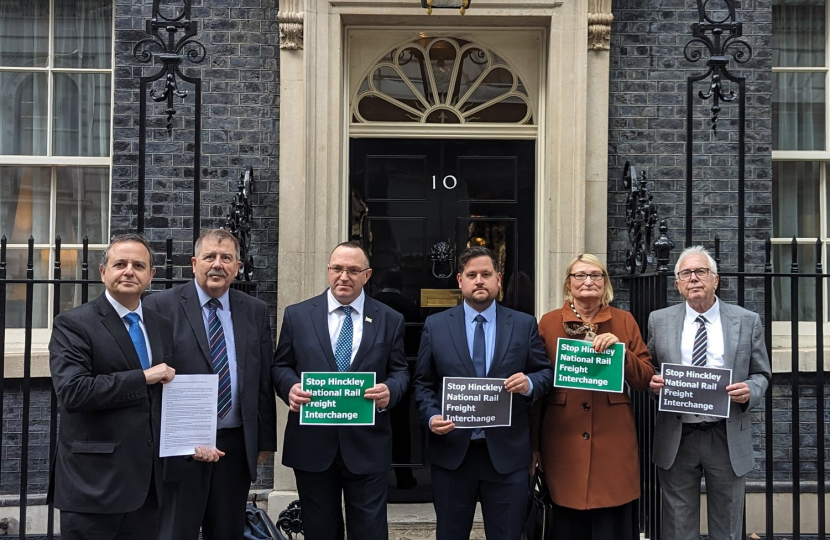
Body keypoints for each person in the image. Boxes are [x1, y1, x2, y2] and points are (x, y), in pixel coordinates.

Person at [143, 228, 277, 540]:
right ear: (193, 263)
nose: (217, 264)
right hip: (179, 446)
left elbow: (262, 377)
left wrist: (264, 440)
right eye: (210, 257)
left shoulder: (254, 311)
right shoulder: (160, 306)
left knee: (227, 531)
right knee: (177, 530)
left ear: (237, 266)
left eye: (226, 258)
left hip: (233, 445)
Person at [413, 246, 554, 540]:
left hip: (506, 454)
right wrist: (431, 416)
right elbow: (423, 383)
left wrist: (529, 384)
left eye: (486, 274)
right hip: (453, 453)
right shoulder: (436, 326)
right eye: (472, 275)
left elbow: (545, 373)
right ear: (460, 281)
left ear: (498, 279)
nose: (479, 280)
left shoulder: (523, 324)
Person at [272, 241, 409, 540]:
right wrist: (290, 388)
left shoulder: (389, 319)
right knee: (320, 530)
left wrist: (390, 390)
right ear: (328, 271)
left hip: (367, 444)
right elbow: (281, 366)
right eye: (337, 269)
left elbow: (401, 370)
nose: (343, 276)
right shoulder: (298, 315)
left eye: (352, 270)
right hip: (312, 444)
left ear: (367, 275)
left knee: (370, 531)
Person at [49, 233, 176, 540]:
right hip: (94, 487)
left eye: (139, 265)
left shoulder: (161, 325)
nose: (129, 271)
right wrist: (141, 377)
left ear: (151, 276)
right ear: (103, 272)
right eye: (120, 264)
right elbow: (72, 392)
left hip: (148, 488)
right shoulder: (73, 324)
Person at [648, 246, 771, 540]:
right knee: (678, 526)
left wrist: (749, 390)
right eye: (686, 274)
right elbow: (648, 368)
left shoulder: (745, 320)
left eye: (701, 271)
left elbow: (762, 374)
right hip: (678, 435)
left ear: (715, 279)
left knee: (727, 525)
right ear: (677, 284)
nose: (694, 279)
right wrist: (652, 384)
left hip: (725, 435)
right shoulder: (659, 320)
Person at [530, 253, 654, 539]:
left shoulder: (624, 321)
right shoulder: (548, 323)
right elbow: (538, 389)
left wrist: (621, 352)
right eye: (580, 276)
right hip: (562, 441)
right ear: (568, 284)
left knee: (612, 522)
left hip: (612, 442)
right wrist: (533, 446)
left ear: (605, 283)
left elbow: (645, 378)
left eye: (596, 275)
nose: (588, 281)